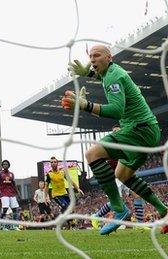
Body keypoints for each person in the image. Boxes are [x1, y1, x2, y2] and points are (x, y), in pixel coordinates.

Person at [66, 44, 167, 235]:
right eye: (91, 56)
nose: (92, 59)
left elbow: (116, 110)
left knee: (92, 154)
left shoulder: (114, 75)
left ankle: (119, 210)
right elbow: (102, 77)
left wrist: (85, 105)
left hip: (139, 129)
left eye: (97, 55)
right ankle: (163, 210)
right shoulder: (110, 73)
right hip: (146, 130)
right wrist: (86, 74)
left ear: (109, 57)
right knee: (122, 174)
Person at [44, 157, 83, 228]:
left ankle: (69, 223)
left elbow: (70, 181)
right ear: (50, 164)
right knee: (66, 206)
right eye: (51, 162)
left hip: (64, 193)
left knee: (69, 208)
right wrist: (46, 197)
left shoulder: (62, 172)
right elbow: (46, 187)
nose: (53, 163)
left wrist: (78, 189)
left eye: (54, 162)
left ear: (57, 163)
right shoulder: (49, 175)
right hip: (56, 195)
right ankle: (72, 223)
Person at [0, 160, 21, 229]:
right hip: (4, 193)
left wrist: (18, 193)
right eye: (4, 164)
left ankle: (15, 225)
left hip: (12, 193)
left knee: (15, 210)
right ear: (2, 166)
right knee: (5, 209)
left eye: (6, 164)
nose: (5, 165)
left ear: (9, 165)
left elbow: (14, 184)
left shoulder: (12, 174)